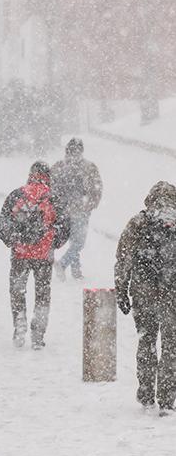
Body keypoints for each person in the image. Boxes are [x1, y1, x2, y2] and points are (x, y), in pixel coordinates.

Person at [115, 182, 176, 412]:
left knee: (146, 342)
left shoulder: (139, 222)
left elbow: (123, 259)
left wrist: (121, 289)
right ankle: (167, 398)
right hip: (173, 293)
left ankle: (146, 394)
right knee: (172, 346)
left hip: (144, 292)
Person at [0, 162, 69, 350]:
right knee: (43, 295)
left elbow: (3, 223)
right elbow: (65, 225)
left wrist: (13, 242)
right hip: (44, 255)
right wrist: (53, 243)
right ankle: (38, 333)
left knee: (17, 291)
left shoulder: (17, 194)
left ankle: (19, 324)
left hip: (20, 254)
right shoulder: (53, 197)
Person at [51, 138, 103, 280]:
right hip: (80, 210)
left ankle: (76, 271)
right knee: (78, 242)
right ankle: (63, 264)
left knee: (74, 241)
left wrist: (55, 206)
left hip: (62, 211)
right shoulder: (89, 167)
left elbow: (51, 188)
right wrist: (91, 204)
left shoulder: (58, 167)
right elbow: (97, 188)